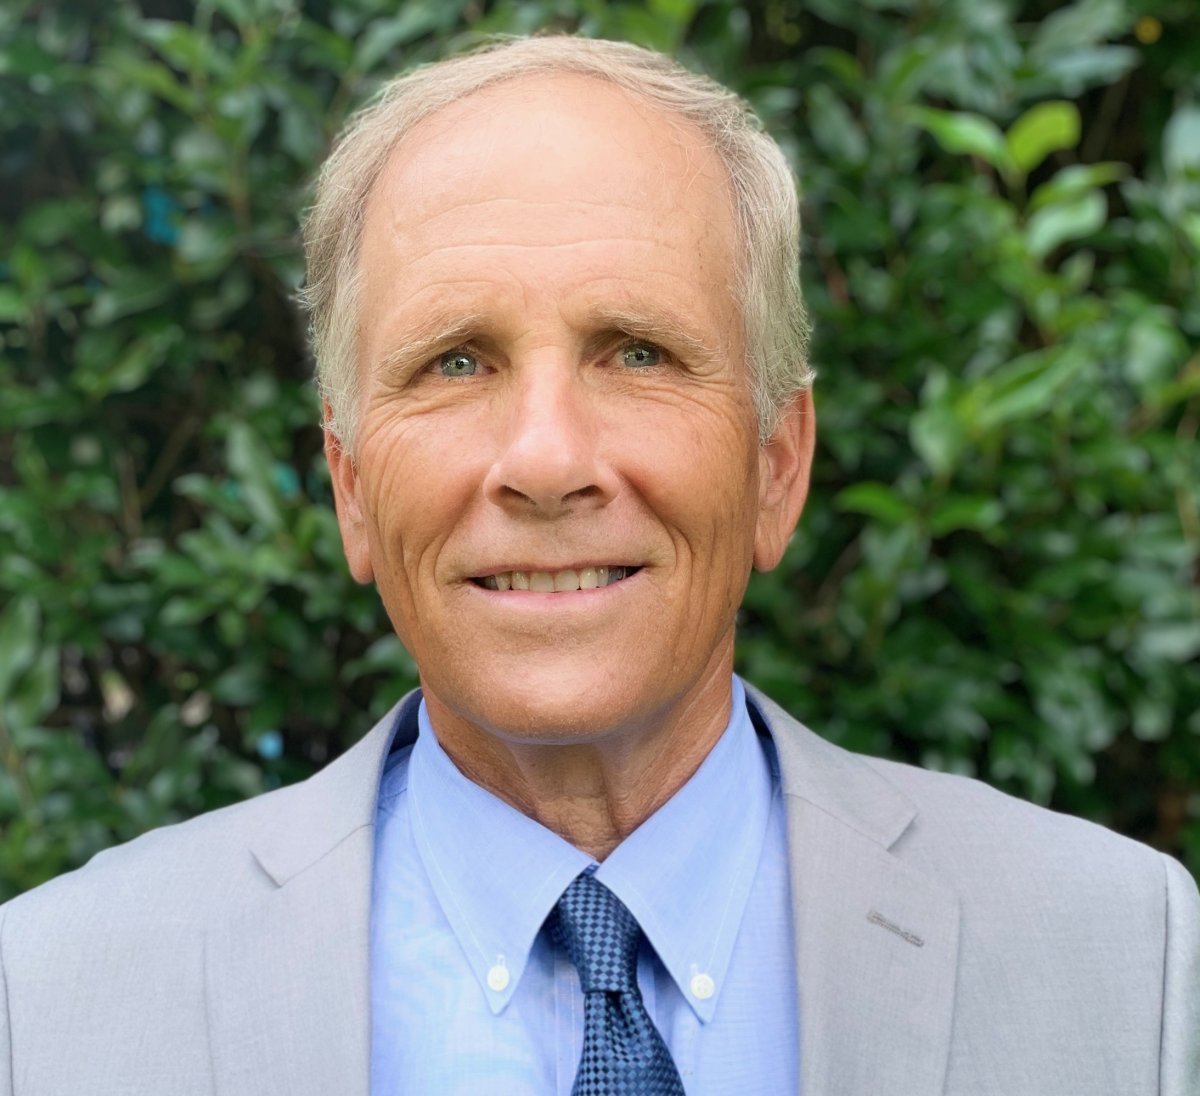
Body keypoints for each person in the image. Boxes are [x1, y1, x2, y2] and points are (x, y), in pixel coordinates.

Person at [1, 34, 1196, 1096]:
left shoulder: (1124, 956)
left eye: (637, 352)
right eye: (457, 362)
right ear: (350, 486)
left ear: (777, 465)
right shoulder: (49, 1001)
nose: (547, 461)